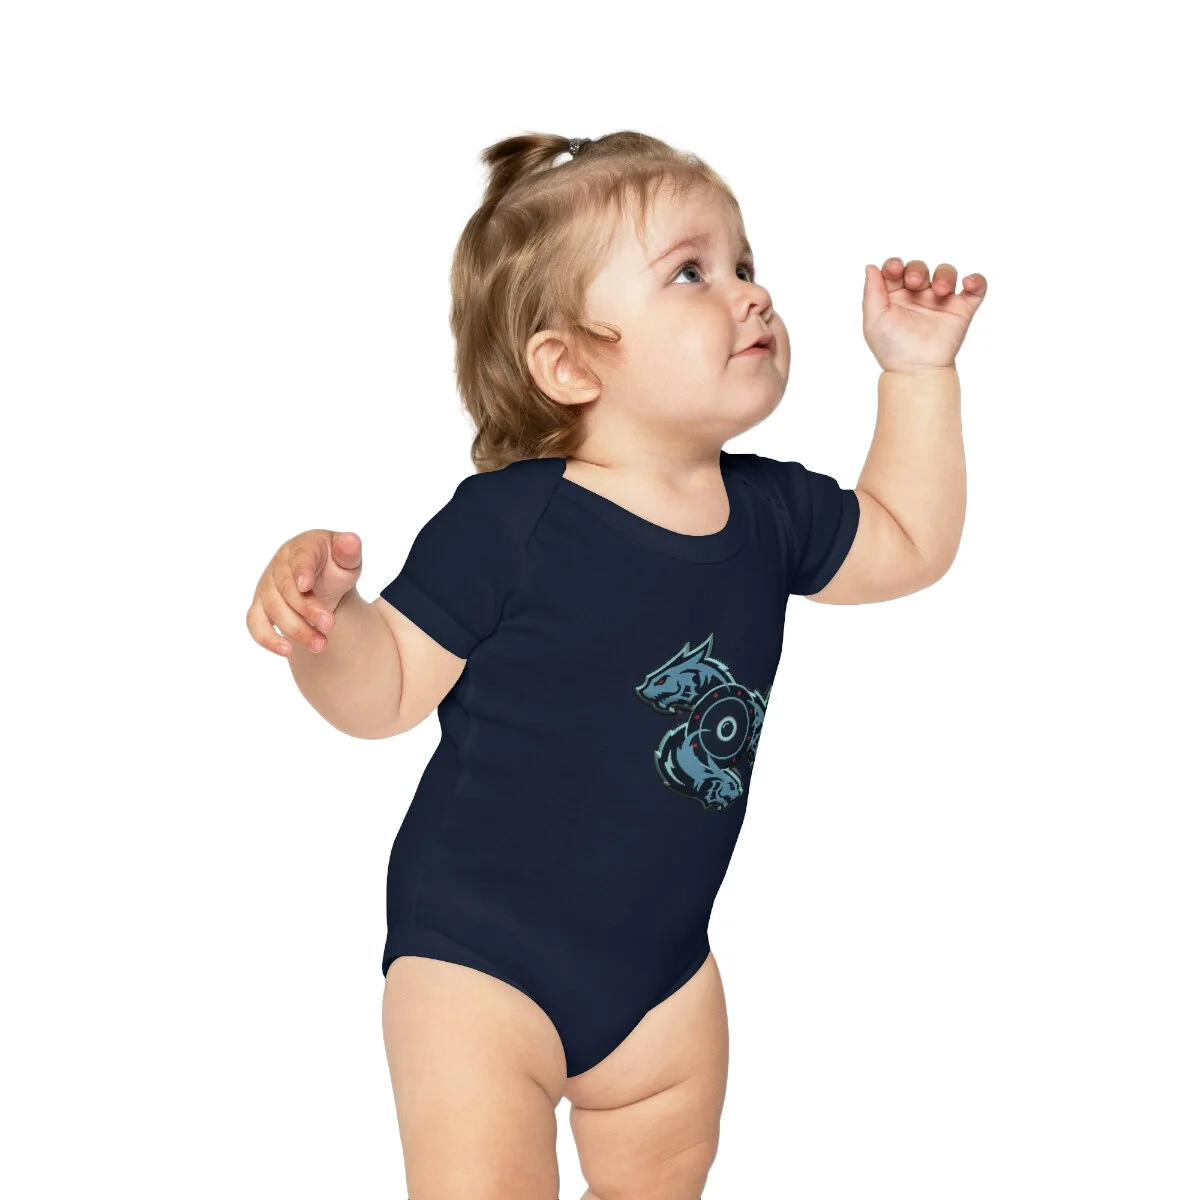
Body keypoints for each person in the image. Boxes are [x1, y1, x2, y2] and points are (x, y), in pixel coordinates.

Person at [246, 130, 984, 1200]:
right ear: (570, 364)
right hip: (477, 962)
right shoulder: (511, 522)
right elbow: (387, 691)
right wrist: (332, 622)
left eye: (744, 263)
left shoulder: (771, 512)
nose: (750, 293)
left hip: (661, 976)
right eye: (692, 272)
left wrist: (917, 374)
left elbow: (909, 541)